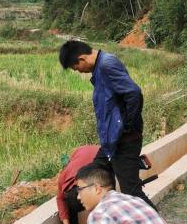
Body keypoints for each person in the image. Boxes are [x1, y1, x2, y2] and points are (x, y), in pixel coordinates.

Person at [58, 39, 155, 209]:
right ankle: (109, 221)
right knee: (91, 175)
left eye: (76, 68)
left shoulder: (106, 65)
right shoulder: (101, 67)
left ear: (82, 59)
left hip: (124, 141)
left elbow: (133, 93)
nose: (79, 72)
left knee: (132, 193)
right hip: (112, 141)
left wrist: (126, 127)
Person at [56, 144, 99, 224]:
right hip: (92, 185)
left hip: (75, 194)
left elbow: (60, 198)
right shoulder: (64, 176)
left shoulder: (65, 173)